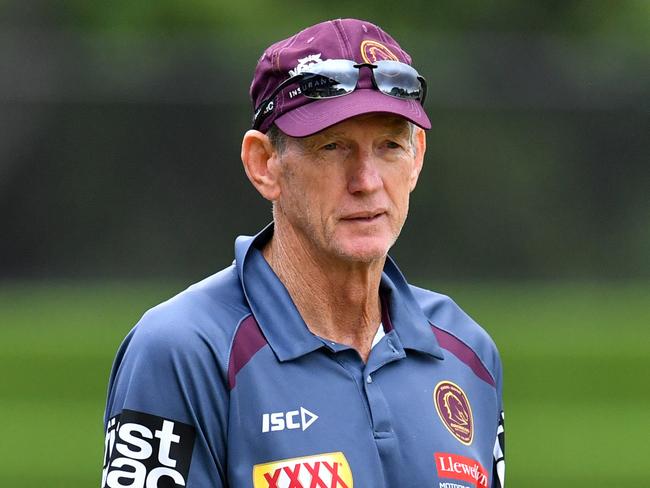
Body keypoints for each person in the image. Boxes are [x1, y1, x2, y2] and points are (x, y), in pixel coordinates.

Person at [101, 18, 505, 488]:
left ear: (417, 158)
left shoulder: (467, 352)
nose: (367, 182)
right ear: (264, 164)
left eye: (390, 146)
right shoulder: (182, 351)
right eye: (332, 147)